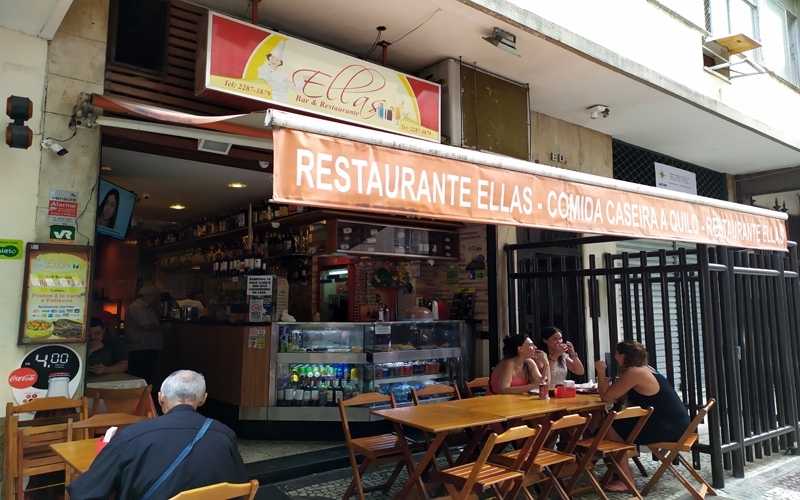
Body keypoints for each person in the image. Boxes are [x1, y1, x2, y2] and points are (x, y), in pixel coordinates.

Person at [66, 370, 248, 500]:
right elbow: (238, 488)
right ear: (203, 398)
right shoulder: (224, 433)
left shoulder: (133, 435)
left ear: (160, 397)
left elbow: (86, 493)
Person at [595, 340, 691, 492]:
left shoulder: (634, 372)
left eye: (616, 354)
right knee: (606, 424)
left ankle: (626, 480)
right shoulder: (647, 368)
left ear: (622, 355)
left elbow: (606, 397)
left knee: (608, 427)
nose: (614, 357)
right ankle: (625, 470)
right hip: (680, 424)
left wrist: (600, 371)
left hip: (667, 427)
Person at [125, 285, 167, 384]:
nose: (157, 299)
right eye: (156, 297)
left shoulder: (146, 308)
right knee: (140, 377)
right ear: (148, 295)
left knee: (145, 376)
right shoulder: (137, 307)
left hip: (147, 347)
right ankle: (139, 397)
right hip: (140, 348)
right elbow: (146, 325)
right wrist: (163, 327)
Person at [486, 334, 550, 395]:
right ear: (520, 349)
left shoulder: (529, 362)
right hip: (495, 402)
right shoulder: (509, 363)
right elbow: (503, 390)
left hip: (514, 401)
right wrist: (533, 385)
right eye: (531, 345)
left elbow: (544, 383)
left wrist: (546, 363)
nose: (535, 347)